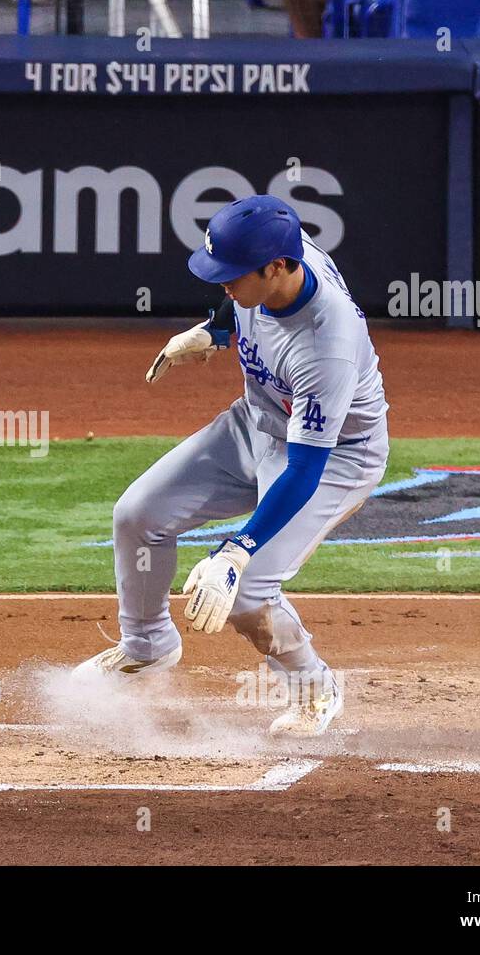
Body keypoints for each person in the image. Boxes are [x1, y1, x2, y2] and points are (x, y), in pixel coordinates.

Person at [74, 195, 389, 737]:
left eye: (232, 276)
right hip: (256, 422)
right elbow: (241, 303)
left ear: (276, 267)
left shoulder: (326, 346)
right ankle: (146, 647)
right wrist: (216, 330)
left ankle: (315, 689)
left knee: (247, 595)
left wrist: (237, 551)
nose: (222, 285)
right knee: (137, 515)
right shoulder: (281, 260)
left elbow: (305, 468)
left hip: (335, 457)